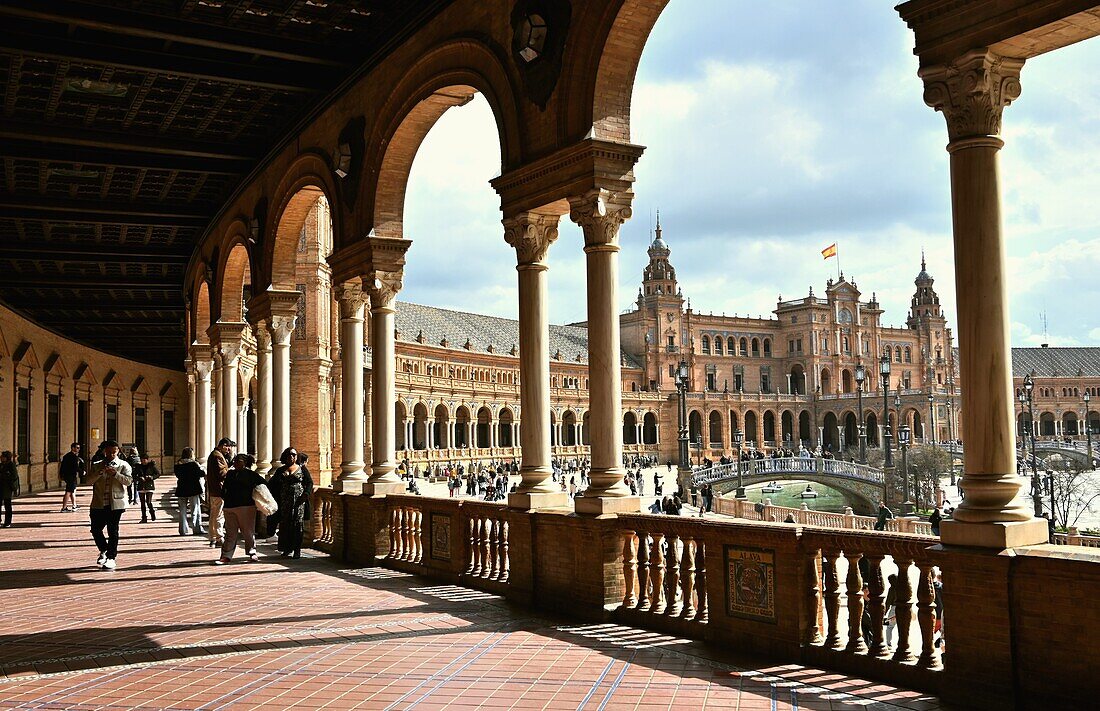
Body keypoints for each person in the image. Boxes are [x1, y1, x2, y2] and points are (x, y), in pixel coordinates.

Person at [86, 440, 133, 570]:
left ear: (118, 451)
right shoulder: (96, 465)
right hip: (98, 503)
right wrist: (100, 472)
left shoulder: (124, 465)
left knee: (113, 531)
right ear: (104, 451)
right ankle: (104, 550)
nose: (111, 454)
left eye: (114, 452)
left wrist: (116, 474)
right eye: (109, 452)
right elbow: (88, 481)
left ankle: (111, 558)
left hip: (116, 504)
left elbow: (129, 482)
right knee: (95, 529)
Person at [215, 453, 265, 564]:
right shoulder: (230, 474)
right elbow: (224, 489)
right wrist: (226, 499)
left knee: (248, 532)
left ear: (245, 463)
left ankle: (252, 552)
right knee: (230, 533)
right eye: (235, 460)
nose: (236, 463)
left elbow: (264, 485)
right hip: (229, 507)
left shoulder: (251, 475)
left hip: (246, 507)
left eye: (239, 461)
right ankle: (226, 556)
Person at [206, 438, 234, 548]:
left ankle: (213, 537)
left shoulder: (214, 454)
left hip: (214, 489)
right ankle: (219, 537)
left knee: (214, 514)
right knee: (218, 514)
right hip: (219, 489)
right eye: (228, 447)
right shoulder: (217, 456)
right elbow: (222, 473)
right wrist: (231, 470)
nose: (229, 449)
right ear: (222, 445)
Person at [174, 447, 205, 536]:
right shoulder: (194, 464)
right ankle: (197, 528)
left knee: (182, 511)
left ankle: (183, 530)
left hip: (182, 489)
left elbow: (177, 475)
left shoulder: (177, 464)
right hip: (193, 489)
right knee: (195, 510)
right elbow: (201, 474)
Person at [59, 443, 85, 512]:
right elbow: (75, 467)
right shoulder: (73, 457)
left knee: (72, 491)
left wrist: (61, 475)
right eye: (77, 448)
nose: (78, 449)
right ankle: (64, 508)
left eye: (79, 448)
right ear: (72, 448)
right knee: (68, 491)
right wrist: (82, 472)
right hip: (71, 476)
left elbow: (62, 466)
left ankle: (74, 505)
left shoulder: (66, 456)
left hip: (67, 476)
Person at [0, 451, 19, 528]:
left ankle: (7, 522)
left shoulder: (11, 465)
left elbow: (14, 476)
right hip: (0, 487)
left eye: (2, 457)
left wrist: (4, 476)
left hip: (7, 488)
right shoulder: (1, 465)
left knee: (7, 505)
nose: (1, 458)